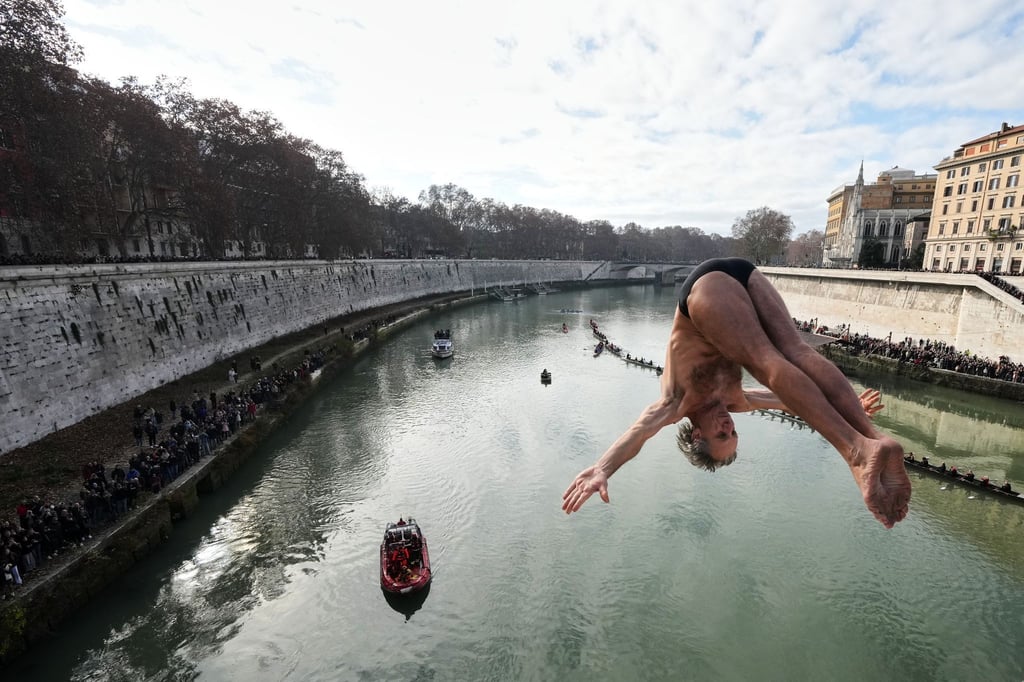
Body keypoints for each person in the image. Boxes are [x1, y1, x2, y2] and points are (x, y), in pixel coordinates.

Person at [562, 257, 911, 529]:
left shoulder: (675, 403)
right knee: (798, 352)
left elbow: (638, 434)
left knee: (767, 360)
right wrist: (854, 408)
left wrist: (603, 468)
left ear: (698, 434)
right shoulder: (737, 401)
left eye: (721, 434)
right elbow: (793, 402)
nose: (729, 425)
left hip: (703, 291)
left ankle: (857, 451)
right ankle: (872, 438)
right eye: (733, 432)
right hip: (745, 274)